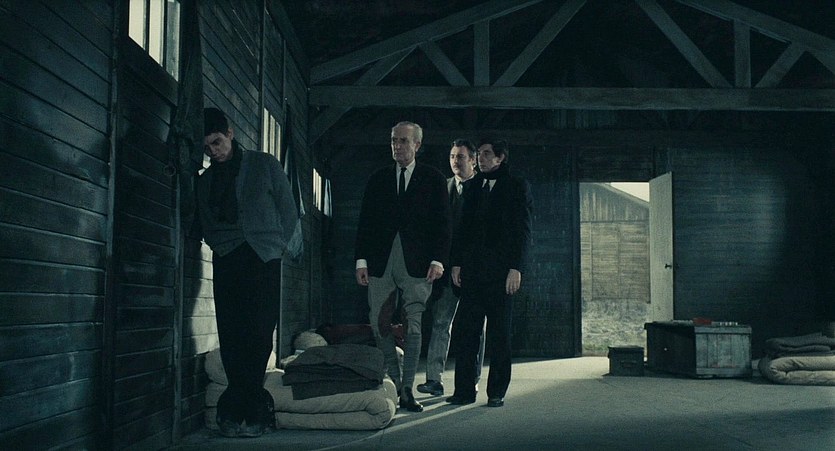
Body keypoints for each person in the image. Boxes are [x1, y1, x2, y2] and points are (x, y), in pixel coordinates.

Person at [196, 107, 301, 437]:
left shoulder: (264, 164)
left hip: (263, 258)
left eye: (217, 142)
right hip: (228, 258)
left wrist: (278, 247)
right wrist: (219, 243)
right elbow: (203, 220)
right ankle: (237, 411)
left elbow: (288, 209)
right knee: (231, 333)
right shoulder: (206, 181)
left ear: (230, 133)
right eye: (207, 147)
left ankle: (251, 409)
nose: (214, 151)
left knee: (259, 331)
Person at [354, 121, 450, 412]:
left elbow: (443, 223)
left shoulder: (433, 178)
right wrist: (361, 260)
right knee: (378, 322)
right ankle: (394, 383)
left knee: (414, 324)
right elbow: (365, 222)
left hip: (418, 263)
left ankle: (408, 388)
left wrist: (438, 260)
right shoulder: (378, 178)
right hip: (380, 262)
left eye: (404, 141)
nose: (397, 146)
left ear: (417, 145)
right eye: (394, 140)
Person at [446, 138, 532, 408]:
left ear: (500, 157)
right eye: (479, 154)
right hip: (472, 274)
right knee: (466, 333)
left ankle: (496, 391)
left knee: (499, 335)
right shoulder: (472, 187)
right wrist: (456, 263)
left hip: (501, 275)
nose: (480, 159)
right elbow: (462, 229)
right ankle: (463, 391)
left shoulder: (516, 186)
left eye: (485, 154)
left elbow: (523, 230)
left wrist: (516, 268)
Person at [417, 139, 485, 397]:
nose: (456, 161)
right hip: (445, 270)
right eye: (452, 156)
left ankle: (472, 379)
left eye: (461, 156)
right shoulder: (442, 187)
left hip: (474, 270)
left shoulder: (483, 188)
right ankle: (434, 380)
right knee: (440, 322)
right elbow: (432, 228)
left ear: (473, 160)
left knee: (475, 327)